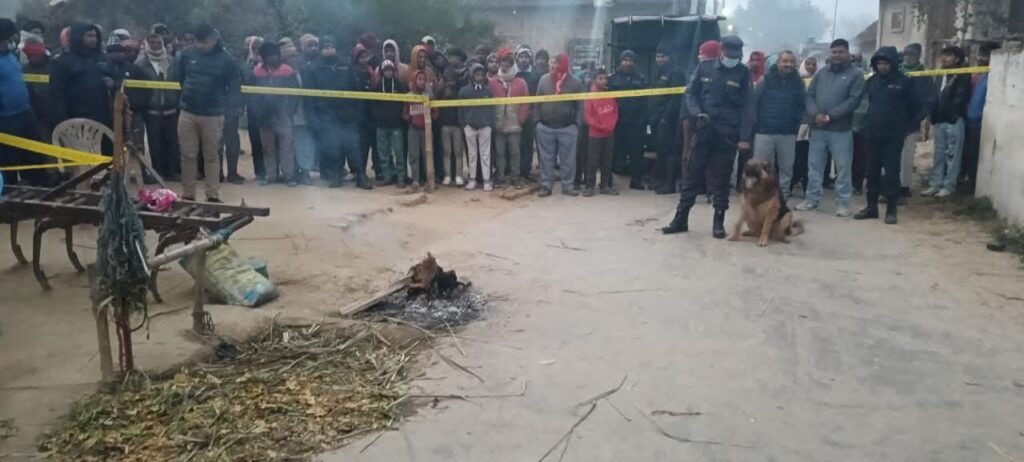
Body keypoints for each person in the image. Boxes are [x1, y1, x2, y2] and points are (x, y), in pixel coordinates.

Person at [662, 35, 754, 238]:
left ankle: (718, 221)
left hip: (728, 134)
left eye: (737, 55)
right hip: (704, 129)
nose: (733, 58)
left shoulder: (743, 73)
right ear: (722, 51)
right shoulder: (704, 68)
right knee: (691, 175)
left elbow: (748, 107)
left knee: (722, 179)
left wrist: (744, 137)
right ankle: (680, 219)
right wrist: (697, 113)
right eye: (730, 54)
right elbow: (691, 93)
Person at [854, 46, 929, 225]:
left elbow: (919, 106)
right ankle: (871, 207)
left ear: (893, 63)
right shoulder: (872, 81)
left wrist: (908, 125)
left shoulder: (905, 82)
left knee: (892, 173)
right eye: (879, 63)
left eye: (886, 63)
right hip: (873, 134)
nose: (882, 67)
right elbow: (864, 105)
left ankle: (891, 210)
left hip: (893, 136)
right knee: (872, 172)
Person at [795, 39, 864, 217]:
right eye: (834, 52)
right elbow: (809, 96)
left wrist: (830, 116)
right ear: (830, 54)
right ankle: (812, 200)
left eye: (840, 52)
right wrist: (815, 114)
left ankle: (842, 203)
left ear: (847, 53)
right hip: (818, 128)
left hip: (841, 130)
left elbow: (853, 100)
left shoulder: (856, 74)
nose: (837, 55)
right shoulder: (821, 73)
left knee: (843, 168)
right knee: (814, 167)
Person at [176, 25, 242, 202]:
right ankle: (188, 194)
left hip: (213, 115)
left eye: (204, 42)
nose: (199, 45)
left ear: (214, 40)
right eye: (197, 41)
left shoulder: (227, 59)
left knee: (212, 155)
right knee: (187, 155)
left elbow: (234, 87)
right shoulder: (187, 54)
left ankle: (212, 195)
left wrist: (229, 108)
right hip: (188, 112)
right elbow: (181, 79)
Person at [305, 36, 370, 189]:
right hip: (326, 115)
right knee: (332, 147)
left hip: (348, 114)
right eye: (325, 46)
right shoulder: (313, 69)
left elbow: (357, 91)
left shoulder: (346, 65)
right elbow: (308, 97)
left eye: (331, 45)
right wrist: (313, 119)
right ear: (321, 49)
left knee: (353, 146)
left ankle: (360, 175)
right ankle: (335, 175)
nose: (329, 48)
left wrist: (358, 113)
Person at [751, 50, 805, 203]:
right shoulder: (765, 80)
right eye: (785, 61)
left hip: (788, 132)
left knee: (787, 167)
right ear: (778, 63)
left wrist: (798, 122)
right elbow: (754, 102)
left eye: (791, 61)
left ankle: (783, 196)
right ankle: (761, 194)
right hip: (764, 131)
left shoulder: (798, 82)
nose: (788, 64)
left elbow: (802, 104)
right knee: (761, 166)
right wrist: (756, 123)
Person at [1, 18, 48, 187]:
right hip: (6, 118)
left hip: (25, 113)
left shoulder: (11, 57)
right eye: (6, 39)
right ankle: (9, 190)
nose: (9, 42)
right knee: (9, 158)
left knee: (35, 153)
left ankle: (38, 186)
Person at [922, 46, 971, 198]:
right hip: (939, 119)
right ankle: (935, 184)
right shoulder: (940, 74)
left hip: (953, 120)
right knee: (938, 153)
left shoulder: (962, 74)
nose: (944, 58)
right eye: (943, 55)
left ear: (957, 59)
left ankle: (949, 185)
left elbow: (960, 97)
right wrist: (932, 115)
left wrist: (952, 115)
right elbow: (934, 96)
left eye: (948, 55)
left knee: (952, 155)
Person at [249, 42, 299, 187]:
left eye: (276, 55)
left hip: (283, 115)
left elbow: (295, 94)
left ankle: (289, 176)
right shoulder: (256, 72)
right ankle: (271, 175)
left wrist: (290, 111)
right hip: (264, 116)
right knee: (268, 148)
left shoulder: (287, 71)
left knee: (286, 147)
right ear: (264, 57)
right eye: (270, 56)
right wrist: (257, 111)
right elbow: (252, 95)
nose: (274, 58)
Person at [49, 22, 115, 130]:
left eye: (95, 36)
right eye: (89, 36)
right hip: (76, 119)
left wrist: (113, 84)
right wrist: (63, 123)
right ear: (78, 37)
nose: (94, 39)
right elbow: (56, 95)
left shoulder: (103, 59)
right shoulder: (62, 61)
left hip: (102, 119)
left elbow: (117, 81)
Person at [534, 53, 583, 197]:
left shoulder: (575, 82)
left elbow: (580, 105)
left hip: (567, 127)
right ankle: (546, 186)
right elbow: (537, 102)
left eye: (557, 63)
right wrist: (537, 122)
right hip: (545, 127)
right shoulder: (544, 80)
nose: (553, 66)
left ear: (564, 65)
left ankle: (568, 186)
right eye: (552, 63)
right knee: (546, 159)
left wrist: (576, 124)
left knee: (568, 160)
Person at [608, 49, 648, 189]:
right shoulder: (612, 79)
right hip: (617, 121)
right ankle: (608, 181)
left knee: (636, 152)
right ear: (620, 62)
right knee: (613, 151)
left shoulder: (640, 79)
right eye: (625, 60)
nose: (627, 63)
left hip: (636, 122)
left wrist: (644, 120)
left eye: (630, 60)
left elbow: (645, 101)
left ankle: (636, 181)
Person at [650, 45, 686, 195]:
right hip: (656, 117)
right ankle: (660, 180)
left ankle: (669, 183)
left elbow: (675, 98)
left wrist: (666, 117)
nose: (659, 59)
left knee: (670, 151)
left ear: (669, 57)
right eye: (658, 56)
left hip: (669, 119)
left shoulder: (676, 73)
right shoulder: (659, 72)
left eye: (662, 56)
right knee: (660, 150)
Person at [491, 49, 529, 188]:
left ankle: (515, 177)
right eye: (502, 64)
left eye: (507, 64)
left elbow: (525, 103)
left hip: (514, 124)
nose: (504, 67)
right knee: (499, 153)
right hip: (498, 124)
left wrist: (521, 119)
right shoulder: (493, 82)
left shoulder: (521, 82)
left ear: (512, 65)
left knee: (515, 152)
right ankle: (500, 176)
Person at [963, 44, 996, 194]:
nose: (980, 58)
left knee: (976, 154)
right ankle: (966, 179)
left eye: (984, 55)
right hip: (970, 120)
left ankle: (972, 184)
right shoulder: (979, 76)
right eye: (980, 55)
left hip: (981, 122)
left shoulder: (993, 78)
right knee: (968, 153)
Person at [897, 43, 927, 196]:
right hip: (895, 120)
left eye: (912, 54)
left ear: (918, 56)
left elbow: (927, 99)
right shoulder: (898, 71)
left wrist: (919, 117)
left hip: (911, 121)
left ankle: (905, 186)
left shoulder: (923, 74)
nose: (908, 57)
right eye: (906, 54)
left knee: (907, 156)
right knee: (894, 156)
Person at [371, 60, 407, 186]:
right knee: (383, 153)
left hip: (396, 125)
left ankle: (401, 177)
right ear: (382, 71)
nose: (388, 72)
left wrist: (399, 116)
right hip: (381, 125)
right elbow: (373, 104)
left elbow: (404, 102)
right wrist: (377, 116)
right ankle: (387, 176)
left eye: (390, 69)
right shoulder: (377, 86)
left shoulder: (398, 85)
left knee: (399, 152)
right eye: (386, 70)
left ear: (394, 71)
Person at [459, 63, 494, 191]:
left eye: (482, 75)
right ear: (472, 76)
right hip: (470, 127)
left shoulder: (488, 91)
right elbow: (461, 110)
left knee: (485, 154)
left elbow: (492, 108)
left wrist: (489, 124)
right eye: (477, 74)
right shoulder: (464, 91)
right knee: (472, 154)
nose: (479, 77)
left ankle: (486, 180)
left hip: (485, 127)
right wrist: (465, 125)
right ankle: (472, 179)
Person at [584, 67, 618, 197]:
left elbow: (615, 111)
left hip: (609, 133)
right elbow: (588, 116)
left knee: (607, 161)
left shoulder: (610, 94)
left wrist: (611, 125)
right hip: (595, 134)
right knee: (592, 161)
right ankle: (589, 186)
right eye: (600, 78)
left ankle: (605, 185)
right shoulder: (590, 96)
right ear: (594, 80)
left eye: (605, 78)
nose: (603, 81)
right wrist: (600, 126)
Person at [402, 70, 437, 188]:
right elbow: (405, 112)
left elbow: (436, 112)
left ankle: (429, 179)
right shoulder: (409, 96)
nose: (422, 82)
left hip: (427, 129)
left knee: (427, 155)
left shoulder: (429, 96)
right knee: (413, 155)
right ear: (414, 81)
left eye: (424, 79)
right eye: (419, 79)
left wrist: (431, 118)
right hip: (413, 129)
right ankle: (415, 179)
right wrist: (410, 119)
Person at [293, 34, 318, 185]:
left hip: (313, 110)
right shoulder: (297, 65)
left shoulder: (318, 64)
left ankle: (306, 171)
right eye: (309, 45)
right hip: (298, 111)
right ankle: (299, 172)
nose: (313, 48)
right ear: (302, 47)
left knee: (308, 143)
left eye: (315, 45)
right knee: (300, 142)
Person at [514, 45, 540, 180]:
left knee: (528, 144)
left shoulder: (536, 74)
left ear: (530, 59)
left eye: (526, 57)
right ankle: (514, 171)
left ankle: (526, 172)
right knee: (515, 144)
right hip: (514, 114)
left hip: (530, 114)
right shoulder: (512, 73)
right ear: (517, 59)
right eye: (521, 57)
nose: (524, 60)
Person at [436, 68, 463, 186]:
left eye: (452, 78)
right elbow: (433, 99)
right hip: (444, 125)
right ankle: (447, 175)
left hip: (457, 125)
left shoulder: (459, 90)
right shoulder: (441, 91)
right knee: (446, 152)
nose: (450, 81)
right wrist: (441, 87)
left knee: (458, 152)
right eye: (447, 78)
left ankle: (458, 175)